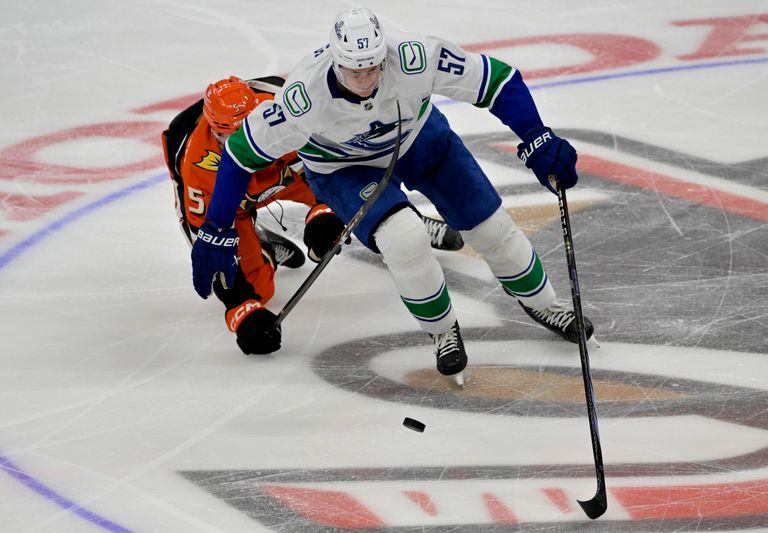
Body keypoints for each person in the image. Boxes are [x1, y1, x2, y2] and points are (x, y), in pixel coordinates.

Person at [189, 8, 596, 384]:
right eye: (353, 70)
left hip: (420, 140)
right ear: (335, 61)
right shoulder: (304, 98)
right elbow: (239, 154)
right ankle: (442, 331)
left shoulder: (415, 57)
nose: (365, 79)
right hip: (345, 168)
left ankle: (543, 303)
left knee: (492, 228)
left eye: (372, 67)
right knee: (404, 239)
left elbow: (497, 80)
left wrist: (536, 136)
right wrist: (216, 226)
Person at [163, 74, 463, 356]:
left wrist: (324, 212)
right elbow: (210, 246)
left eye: (251, 128)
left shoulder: (288, 116)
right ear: (215, 133)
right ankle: (262, 247)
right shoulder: (198, 168)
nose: (247, 144)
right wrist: (242, 311)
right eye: (233, 138)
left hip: (290, 175)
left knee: (354, 189)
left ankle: (400, 219)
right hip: (234, 204)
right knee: (258, 292)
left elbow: (342, 167)